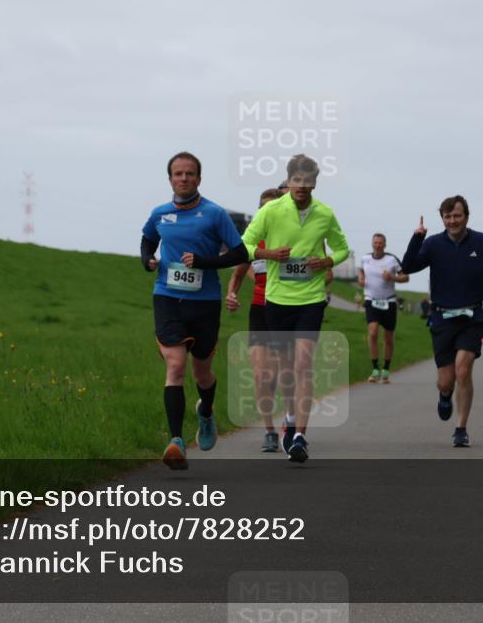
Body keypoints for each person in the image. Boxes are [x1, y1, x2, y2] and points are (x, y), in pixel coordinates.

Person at [141, 152, 249, 470]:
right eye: (178, 173)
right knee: (175, 365)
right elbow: (147, 241)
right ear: (170, 178)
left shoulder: (214, 214)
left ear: (199, 179)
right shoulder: (160, 213)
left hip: (204, 302)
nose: (184, 178)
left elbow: (240, 254)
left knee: (201, 371)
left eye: (190, 174)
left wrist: (204, 262)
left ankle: (206, 412)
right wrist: (146, 260)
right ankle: (176, 441)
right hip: (168, 297)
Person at [241, 154, 350, 463]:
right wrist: (270, 254)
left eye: (307, 180)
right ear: (288, 182)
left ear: (314, 183)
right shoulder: (272, 211)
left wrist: (327, 261)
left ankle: (300, 435)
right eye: (296, 180)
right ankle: (289, 418)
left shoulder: (325, 214)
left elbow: (343, 249)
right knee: (287, 368)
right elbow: (244, 246)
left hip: (311, 299)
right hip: (277, 300)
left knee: (303, 364)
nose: (302, 186)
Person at [401, 196, 483, 447]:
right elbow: (407, 267)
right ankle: (445, 395)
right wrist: (417, 237)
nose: (452, 221)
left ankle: (461, 428)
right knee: (446, 380)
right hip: (442, 316)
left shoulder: (482, 242)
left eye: (457, 216)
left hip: (472, 316)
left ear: (466, 216)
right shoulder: (433, 244)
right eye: (448, 216)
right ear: (442, 218)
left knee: (463, 371)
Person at [226, 188, 287, 452]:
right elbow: (238, 274)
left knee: (282, 373)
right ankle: (270, 431)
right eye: (263, 208)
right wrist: (231, 295)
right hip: (260, 311)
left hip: (286, 310)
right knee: (262, 374)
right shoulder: (252, 243)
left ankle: (290, 422)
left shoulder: (292, 240)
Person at [357, 233, 409, 383]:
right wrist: (360, 278)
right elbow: (361, 270)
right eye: (375, 242)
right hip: (371, 300)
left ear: (385, 245)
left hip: (389, 302)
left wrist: (392, 278)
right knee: (372, 332)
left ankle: (385, 369)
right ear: (372, 244)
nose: (378, 245)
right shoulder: (365, 258)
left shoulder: (392, 260)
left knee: (388, 338)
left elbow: (405, 277)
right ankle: (375, 369)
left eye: (380, 243)